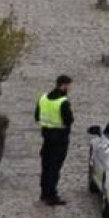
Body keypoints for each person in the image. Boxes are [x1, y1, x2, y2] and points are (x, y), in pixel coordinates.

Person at [34, 74, 74, 206]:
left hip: (46, 137)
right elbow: (69, 120)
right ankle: (51, 195)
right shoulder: (63, 102)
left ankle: (44, 193)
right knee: (54, 168)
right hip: (60, 138)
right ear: (63, 85)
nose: (69, 88)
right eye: (68, 86)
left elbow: (37, 116)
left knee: (45, 166)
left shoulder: (43, 98)